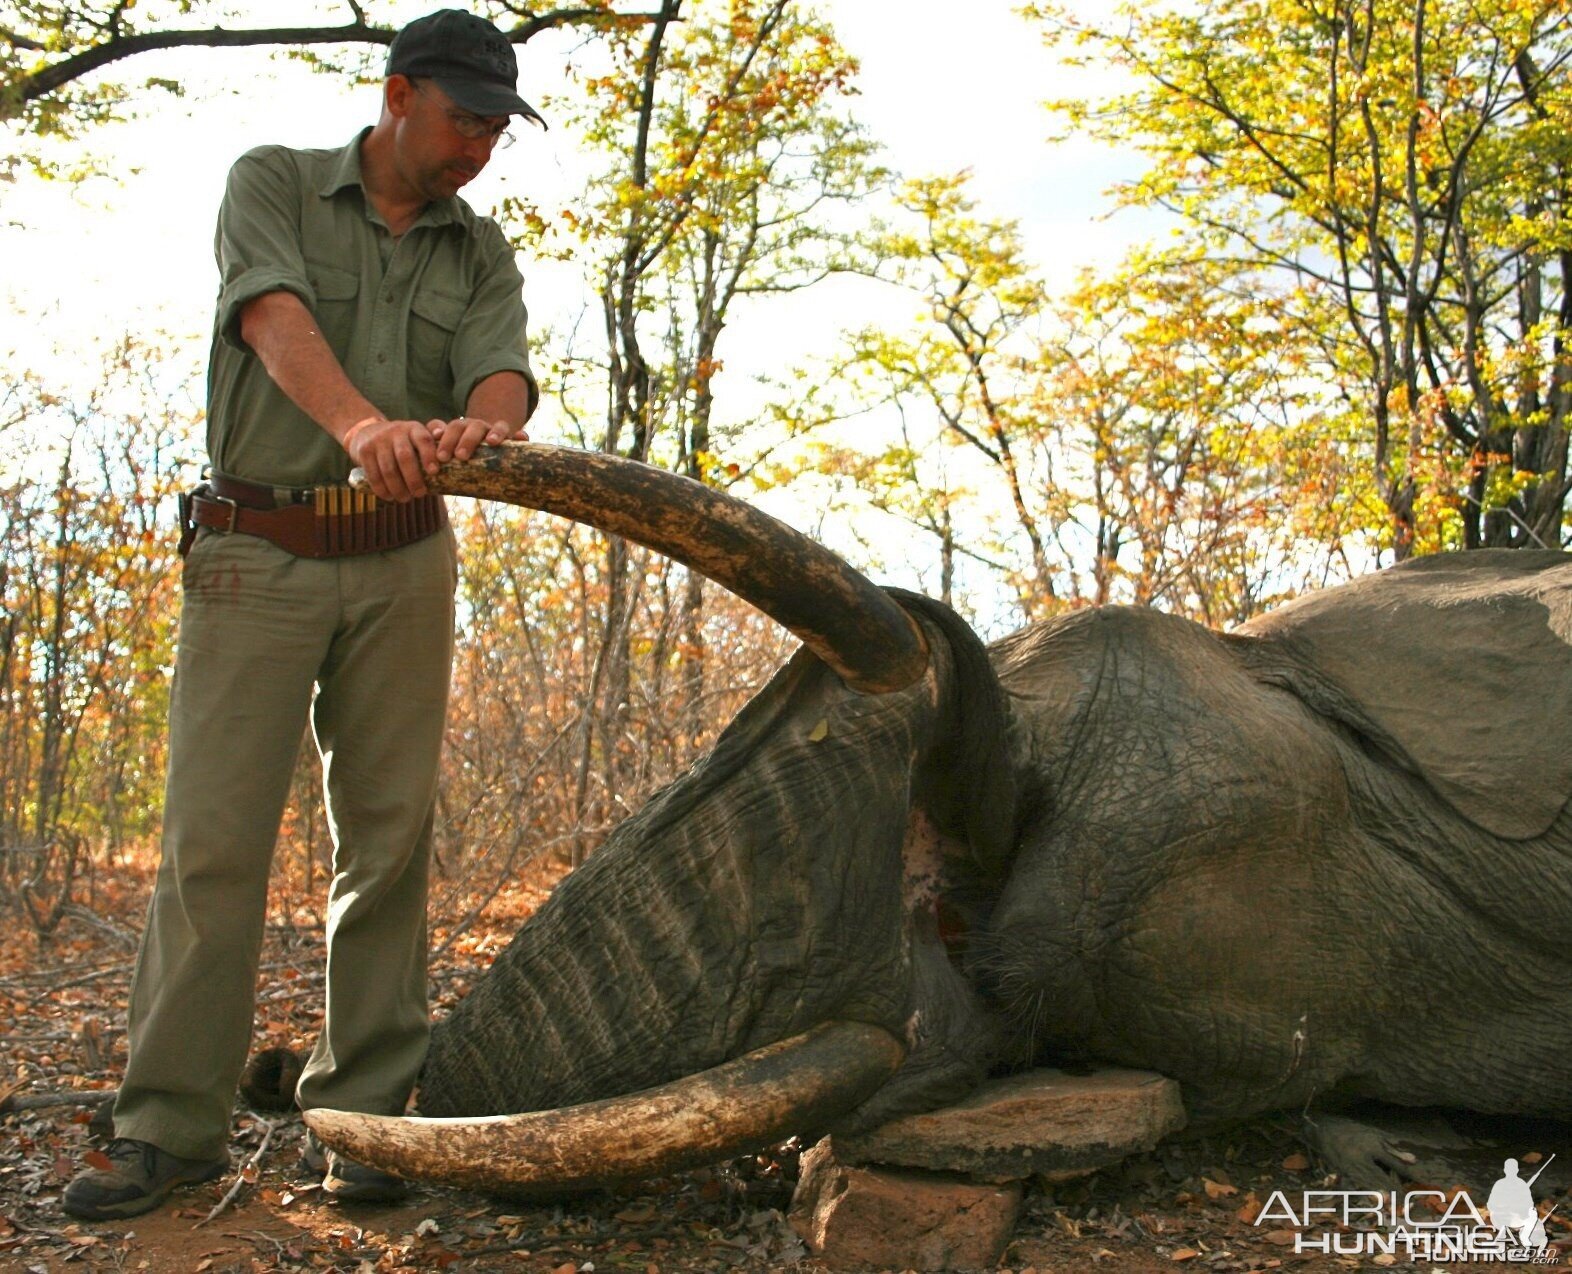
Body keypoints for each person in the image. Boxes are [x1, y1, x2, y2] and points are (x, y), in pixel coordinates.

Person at [63, 8, 541, 1221]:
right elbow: (270, 314)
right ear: (396, 95)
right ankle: (166, 1124)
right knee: (213, 846)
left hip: (403, 565)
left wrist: (477, 431)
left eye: (498, 127)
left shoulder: (479, 249)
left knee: (387, 842)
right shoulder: (269, 182)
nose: (480, 146)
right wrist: (365, 428)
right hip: (254, 550)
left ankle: (367, 1116)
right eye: (463, 118)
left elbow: (501, 372)